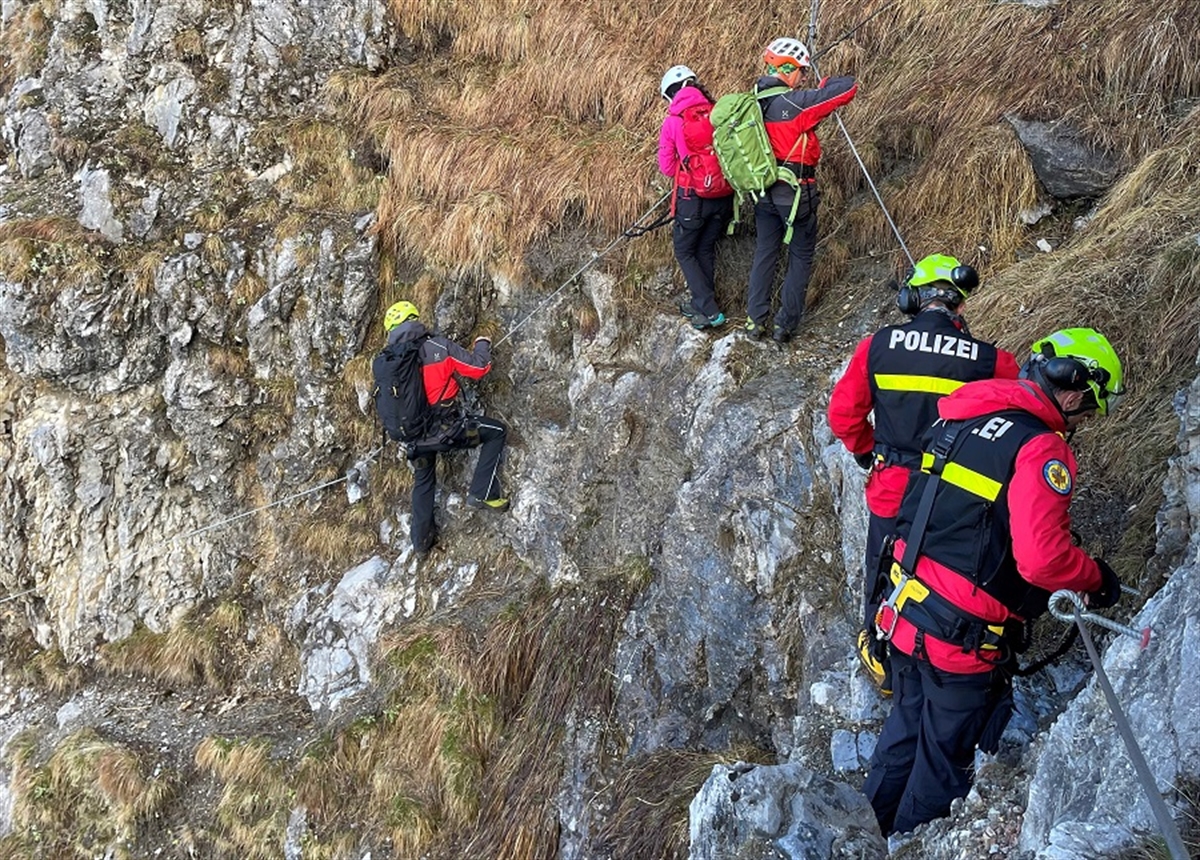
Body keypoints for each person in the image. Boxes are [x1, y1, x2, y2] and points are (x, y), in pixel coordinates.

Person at [861, 327, 1125, 837]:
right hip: (959, 639)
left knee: (902, 731)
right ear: (1075, 391)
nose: (1087, 420)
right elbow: (1043, 560)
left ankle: (862, 836)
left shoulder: (963, 415)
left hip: (906, 608)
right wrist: (1095, 579)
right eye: (1090, 407)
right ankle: (910, 846)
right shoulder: (1040, 449)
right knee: (942, 762)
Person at [827, 254, 1022, 692]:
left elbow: (842, 415)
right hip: (959, 495)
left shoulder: (877, 346)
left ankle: (881, 656)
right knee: (945, 575)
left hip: (894, 486)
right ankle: (943, 659)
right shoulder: (993, 361)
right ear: (960, 305)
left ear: (911, 298)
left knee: (883, 569)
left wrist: (865, 453)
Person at [745, 37, 856, 343]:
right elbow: (847, 87)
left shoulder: (751, 101)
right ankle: (785, 325)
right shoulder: (795, 103)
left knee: (765, 252)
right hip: (796, 192)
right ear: (787, 68)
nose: (803, 78)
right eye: (802, 71)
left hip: (763, 191)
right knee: (800, 255)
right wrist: (826, 83)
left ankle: (755, 322)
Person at [381, 301, 509, 554]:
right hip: (447, 432)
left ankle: (421, 543)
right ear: (415, 319)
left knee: (423, 480)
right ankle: (483, 493)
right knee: (497, 432)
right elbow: (479, 368)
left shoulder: (387, 362)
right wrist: (482, 344)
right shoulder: (438, 347)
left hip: (414, 439)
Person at [658, 64, 735, 331]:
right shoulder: (716, 112)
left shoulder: (674, 121)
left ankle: (710, 311)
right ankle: (701, 305)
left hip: (692, 198)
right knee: (704, 249)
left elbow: (667, 167)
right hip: (724, 195)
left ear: (670, 94)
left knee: (684, 250)